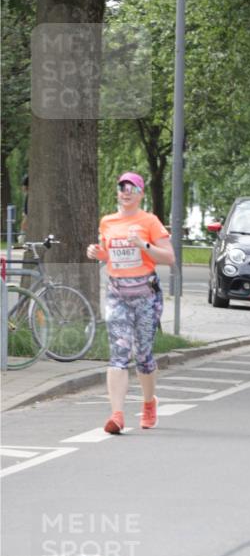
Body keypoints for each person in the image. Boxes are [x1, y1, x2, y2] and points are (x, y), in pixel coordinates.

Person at [86, 172, 175, 434]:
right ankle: (117, 415)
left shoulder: (150, 221)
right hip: (117, 294)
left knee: (144, 355)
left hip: (146, 295)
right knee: (119, 354)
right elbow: (107, 253)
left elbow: (169, 258)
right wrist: (97, 253)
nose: (126, 192)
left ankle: (149, 404)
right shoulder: (108, 222)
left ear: (141, 194)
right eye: (122, 187)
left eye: (131, 188)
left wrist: (144, 244)